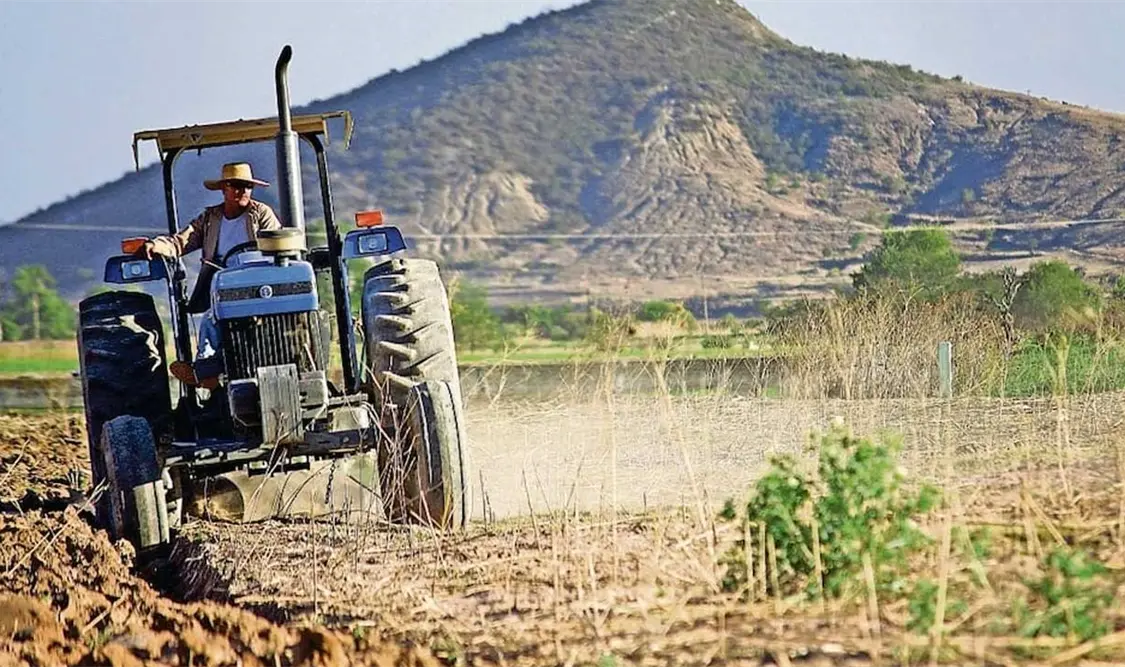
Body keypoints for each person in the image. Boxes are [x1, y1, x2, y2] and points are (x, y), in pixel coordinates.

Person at [138, 161, 281, 387]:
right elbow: (180, 241)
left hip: (258, 282)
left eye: (247, 186)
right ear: (224, 188)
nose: (242, 190)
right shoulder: (210, 218)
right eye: (236, 185)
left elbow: (277, 242)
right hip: (224, 283)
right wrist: (156, 245)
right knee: (211, 319)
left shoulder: (261, 214)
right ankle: (205, 372)